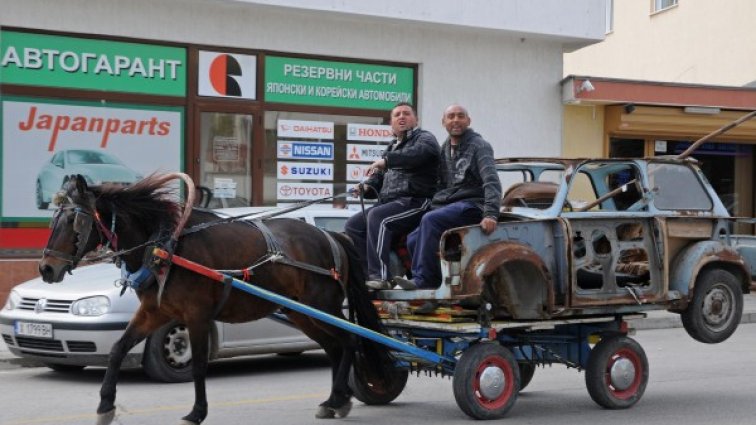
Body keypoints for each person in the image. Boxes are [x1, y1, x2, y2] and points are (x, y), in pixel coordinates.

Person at [394, 104, 502, 290]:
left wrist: (491, 214)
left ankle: (423, 281)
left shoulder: (479, 146)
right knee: (413, 238)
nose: (455, 120)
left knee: (431, 220)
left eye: (460, 116)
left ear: (468, 121)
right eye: (450, 116)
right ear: (443, 122)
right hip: (453, 206)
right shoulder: (445, 148)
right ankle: (434, 287)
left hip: (473, 205)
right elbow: (442, 186)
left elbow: (491, 181)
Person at [345, 102, 441, 290]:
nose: (401, 117)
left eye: (406, 113)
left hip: (417, 201)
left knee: (378, 217)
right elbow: (378, 178)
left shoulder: (425, 139)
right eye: (397, 115)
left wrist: (388, 161)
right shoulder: (391, 147)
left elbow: (418, 154)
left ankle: (380, 277)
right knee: (353, 225)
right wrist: (365, 187)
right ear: (392, 123)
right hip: (391, 203)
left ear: (416, 119)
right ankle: (367, 278)